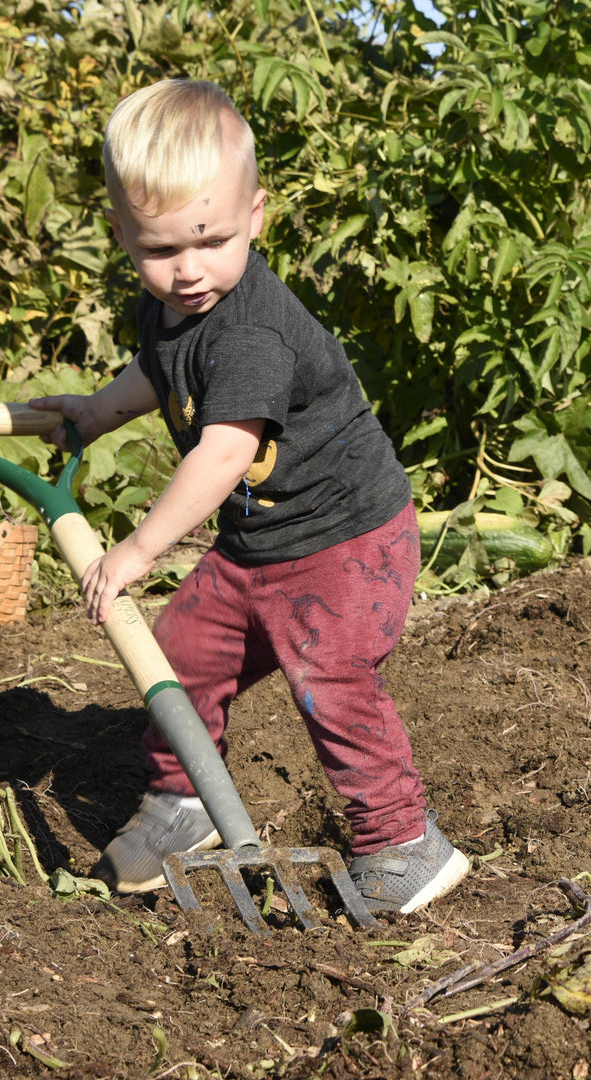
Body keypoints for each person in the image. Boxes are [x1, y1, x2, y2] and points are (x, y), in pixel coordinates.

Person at [29, 78, 469, 915]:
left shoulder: (253, 333)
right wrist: (92, 415)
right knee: (181, 651)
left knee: (330, 678)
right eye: (160, 251)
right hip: (260, 546)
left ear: (256, 216)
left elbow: (225, 451)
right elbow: (157, 373)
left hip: (346, 541)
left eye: (211, 241)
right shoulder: (169, 308)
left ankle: (404, 844)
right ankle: (184, 804)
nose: (188, 271)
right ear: (123, 235)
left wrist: (141, 547)